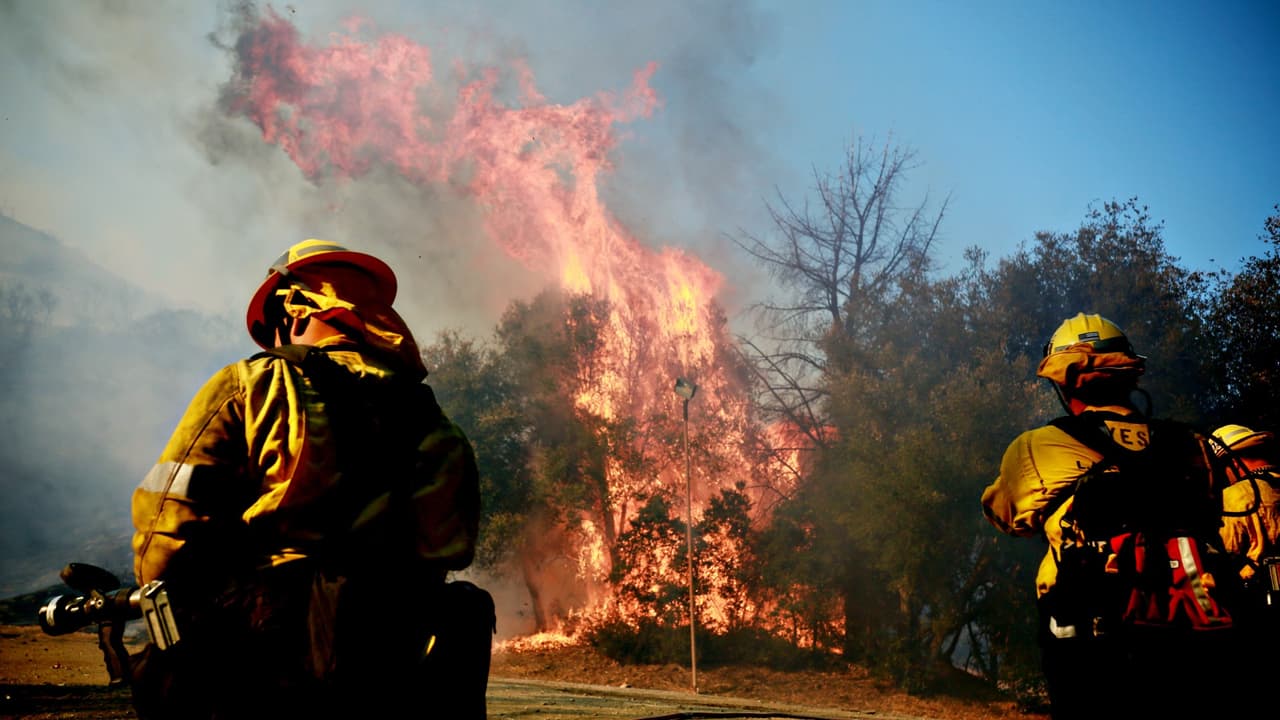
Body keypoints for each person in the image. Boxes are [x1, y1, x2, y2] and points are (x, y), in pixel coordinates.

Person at [128, 239, 489, 719]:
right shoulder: (436, 423)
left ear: (294, 308)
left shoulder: (253, 385)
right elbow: (449, 547)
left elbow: (167, 520)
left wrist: (163, 599)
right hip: (395, 658)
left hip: (268, 651)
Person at [980, 312, 1242, 719]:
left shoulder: (1038, 446)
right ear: (1130, 375)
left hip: (1092, 641)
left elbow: (1006, 516)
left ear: (1064, 382)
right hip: (1196, 634)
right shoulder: (1194, 445)